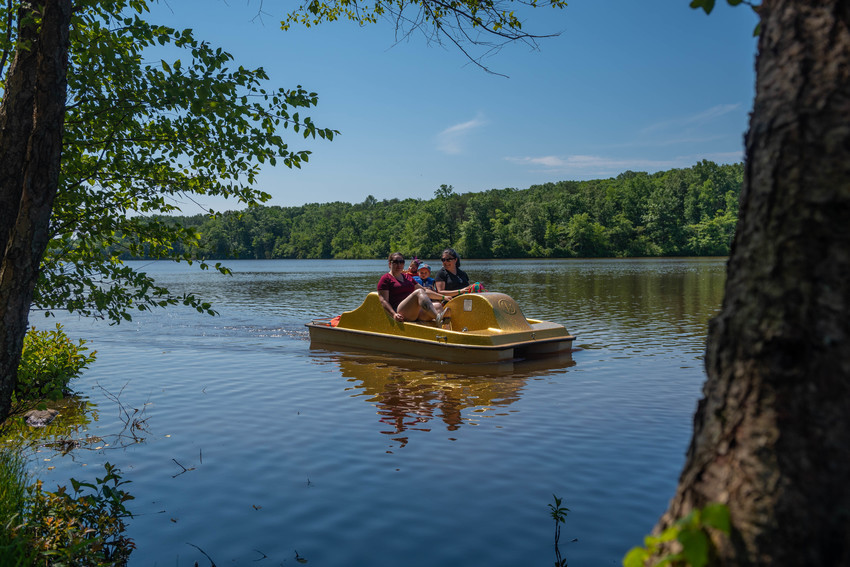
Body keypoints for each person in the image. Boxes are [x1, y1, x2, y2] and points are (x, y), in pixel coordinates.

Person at [377, 253, 442, 322]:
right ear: (390, 264)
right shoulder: (385, 279)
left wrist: (443, 297)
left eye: (401, 262)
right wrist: (394, 314)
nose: (399, 265)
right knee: (419, 292)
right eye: (396, 262)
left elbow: (424, 291)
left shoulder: (407, 277)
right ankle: (438, 318)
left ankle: (443, 328)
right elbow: (383, 301)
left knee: (438, 306)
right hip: (400, 312)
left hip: (413, 312)